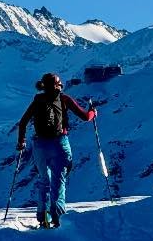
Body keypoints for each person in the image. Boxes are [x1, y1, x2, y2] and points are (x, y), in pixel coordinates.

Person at [15, 72, 96, 228]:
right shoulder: (64, 98)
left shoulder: (37, 100)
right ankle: (57, 217)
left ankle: (42, 216)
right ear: (58, 85)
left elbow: (23, 122)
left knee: (44, 181)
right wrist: (93, 112)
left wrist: (21, 142)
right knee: (59, 180)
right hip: (59, 143)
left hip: (40, 145)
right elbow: (86, 117)